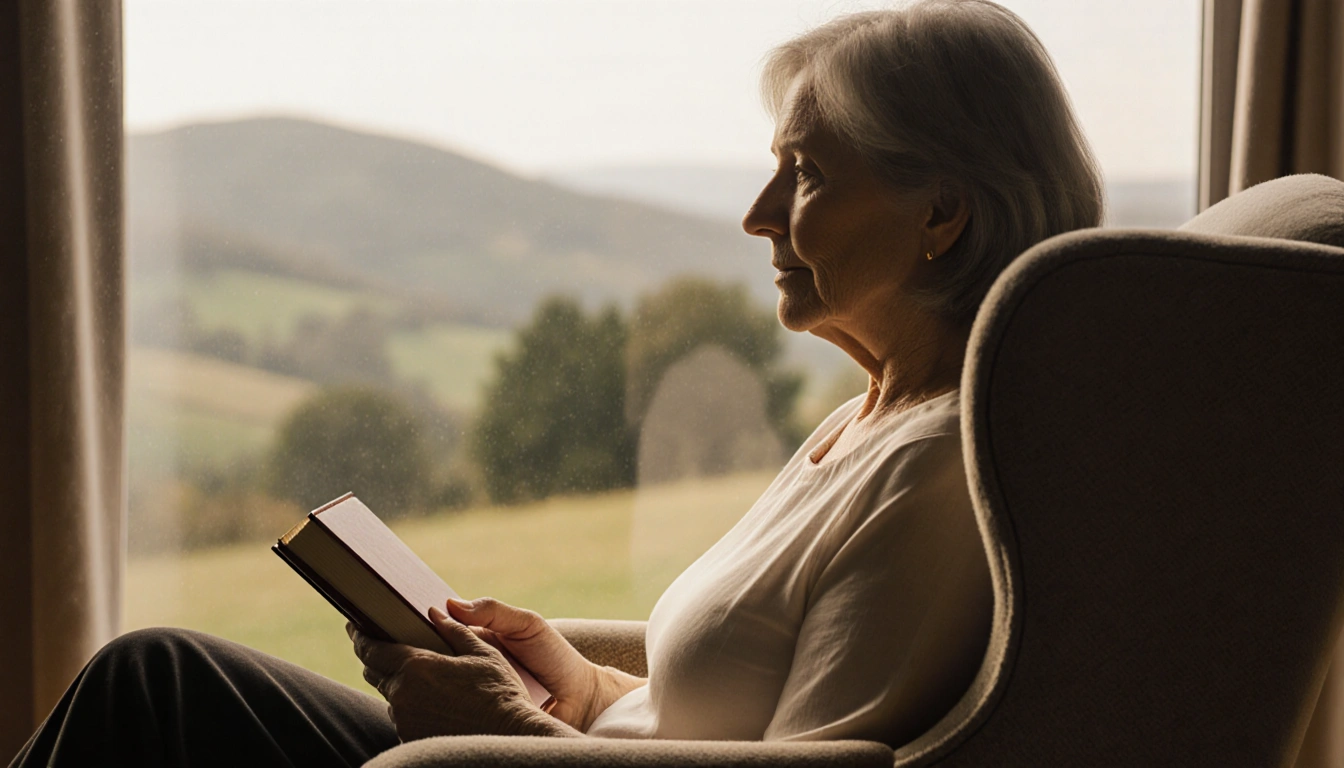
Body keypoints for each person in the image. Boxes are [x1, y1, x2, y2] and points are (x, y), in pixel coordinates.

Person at [9, 1, 1103, 765]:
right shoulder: (862, 422)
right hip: (561, 755)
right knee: (151, 689)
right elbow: (712, 717)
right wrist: (573, 682)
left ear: (941, 213)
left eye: (807, 174)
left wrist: (507, 734)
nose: (759, 214)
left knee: (154, 691)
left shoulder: (939, 476)